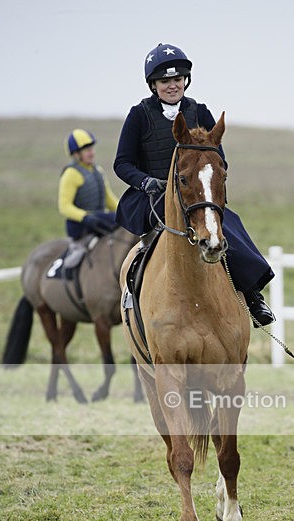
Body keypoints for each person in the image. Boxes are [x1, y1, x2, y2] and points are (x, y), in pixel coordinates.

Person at [113, 43, 275, 327]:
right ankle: (134, 300)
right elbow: (122, 163)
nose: (172, 86)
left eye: (177, 79)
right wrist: (147, 181)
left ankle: (251, 295)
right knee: (143, 251)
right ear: (153, 84)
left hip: (196, 194)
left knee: (229, 226)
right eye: (165, 81)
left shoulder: (199, 110)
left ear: (185, 80)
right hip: (154, 197)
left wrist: (209, 184)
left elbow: (218, 158)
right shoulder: (139, 115)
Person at [58, 129, 119, 240]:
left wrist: (125, 211)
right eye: (87, 150)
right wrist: (85, 217)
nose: (92, 153)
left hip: (98, 219)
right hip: (79, 224)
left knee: (121, 219)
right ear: (76, 154)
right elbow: (64, 206)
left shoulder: (98, 171)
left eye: (91, 149)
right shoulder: (70, 174)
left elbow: (109, 199)